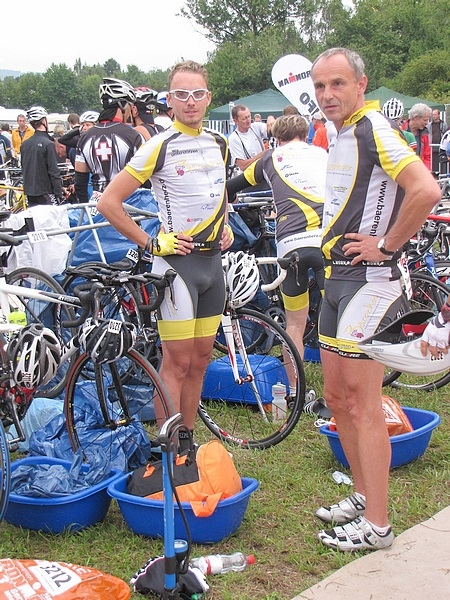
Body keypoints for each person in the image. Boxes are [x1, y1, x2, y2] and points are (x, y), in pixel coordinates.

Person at [310, 47, 441, 552]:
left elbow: (425, 190)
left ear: (361, 85)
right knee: (337, 398)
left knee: (363, 405)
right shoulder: (342, 132)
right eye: (320, 86)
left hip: (370, 282)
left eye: (337, 84)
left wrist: (387, 244)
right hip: (338, 280)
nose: (327, 95)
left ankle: (378, 526)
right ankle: (364, 496)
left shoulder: (372, 129)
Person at [97, 60, 233, 451]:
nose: (190, 101)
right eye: (181, 94)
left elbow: (218, 190)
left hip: (211, 264)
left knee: (201, 359)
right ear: (169, 100)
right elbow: (108, 203)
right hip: (176, 267)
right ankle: (169, 448)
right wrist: (151, 243)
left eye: (197, 94)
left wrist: (223, 224)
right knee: (177, 362)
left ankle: (185, 441)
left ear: (208, 98)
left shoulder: (219, 142)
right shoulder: (159, 144)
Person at [227, 114, 326, 363]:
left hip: (290, 244)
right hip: (325, 241)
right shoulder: (322, 154)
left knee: (294, 325)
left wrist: (232, 200)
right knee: (336, 321)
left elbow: (231, 187)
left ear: (276, 138)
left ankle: (294, 385)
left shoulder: (269, 158)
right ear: (305, 135)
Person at [74, 78, 143, 203]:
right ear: (122, 105)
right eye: (130, 106)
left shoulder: (84, 138)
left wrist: (86, 209)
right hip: (128, 204)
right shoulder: (133, 136)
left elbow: (80, 183)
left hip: (97, 205)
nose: (131, 111)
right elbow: (145, 178)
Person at [20, 106, 63, 206]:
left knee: (34, 215)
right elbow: (53, 171)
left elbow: (24, 167)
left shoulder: (25, 144)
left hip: (30, 192)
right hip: (46, 192)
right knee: (53, 215)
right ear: (44, 121)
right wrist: (58, 193)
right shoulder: (48, 144)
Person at [228, 104, 267, 177]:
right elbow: (243, 166)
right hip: (248, 178)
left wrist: (271, 120)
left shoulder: (256, 127)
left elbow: (273, 129)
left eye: (249, 116)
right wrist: (262, 155)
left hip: (263, 174)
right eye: (244, 118)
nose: (248, 120)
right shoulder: (234, 138)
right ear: (236, 121)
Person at [402, 103, 432, 169]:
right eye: (425, 120)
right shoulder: (400, 131)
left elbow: (428, 156)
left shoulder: (425, 133)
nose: (427, 123)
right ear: (416, 117)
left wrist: (426, 171)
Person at [430, 108, 448, 175]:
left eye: (435, 114)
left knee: (443, 165)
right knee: (434, 165)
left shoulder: (444, 124)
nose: (433, 116)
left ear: (439, 115)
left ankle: (443, 176)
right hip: (432, 148)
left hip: (441, 147)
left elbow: (446, 134)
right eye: (433, 115)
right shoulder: (429, 125)